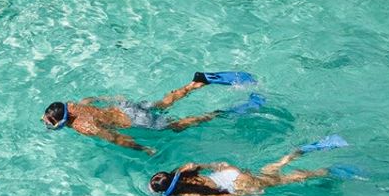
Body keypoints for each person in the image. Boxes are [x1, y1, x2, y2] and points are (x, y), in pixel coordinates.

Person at [42, 72, 261, 154]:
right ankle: (195, 83)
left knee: (177, 126)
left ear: (63, 120)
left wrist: (142, 147)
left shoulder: (82, 127)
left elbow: (115, 138)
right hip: (124, 107)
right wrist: (118, 100)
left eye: (51, 122)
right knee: (162, 104)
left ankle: (218, 113)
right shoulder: (73, 104)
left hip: (134, 120)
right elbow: (94, 99)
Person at [148, 139, 353, 196]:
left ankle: (329, 171)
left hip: (236, 183)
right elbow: (196, 165)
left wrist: (243, 193)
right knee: (271, 169)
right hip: (226, 172)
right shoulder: (183, 172)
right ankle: (300, 151)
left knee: (286, 180)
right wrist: (216, 167)